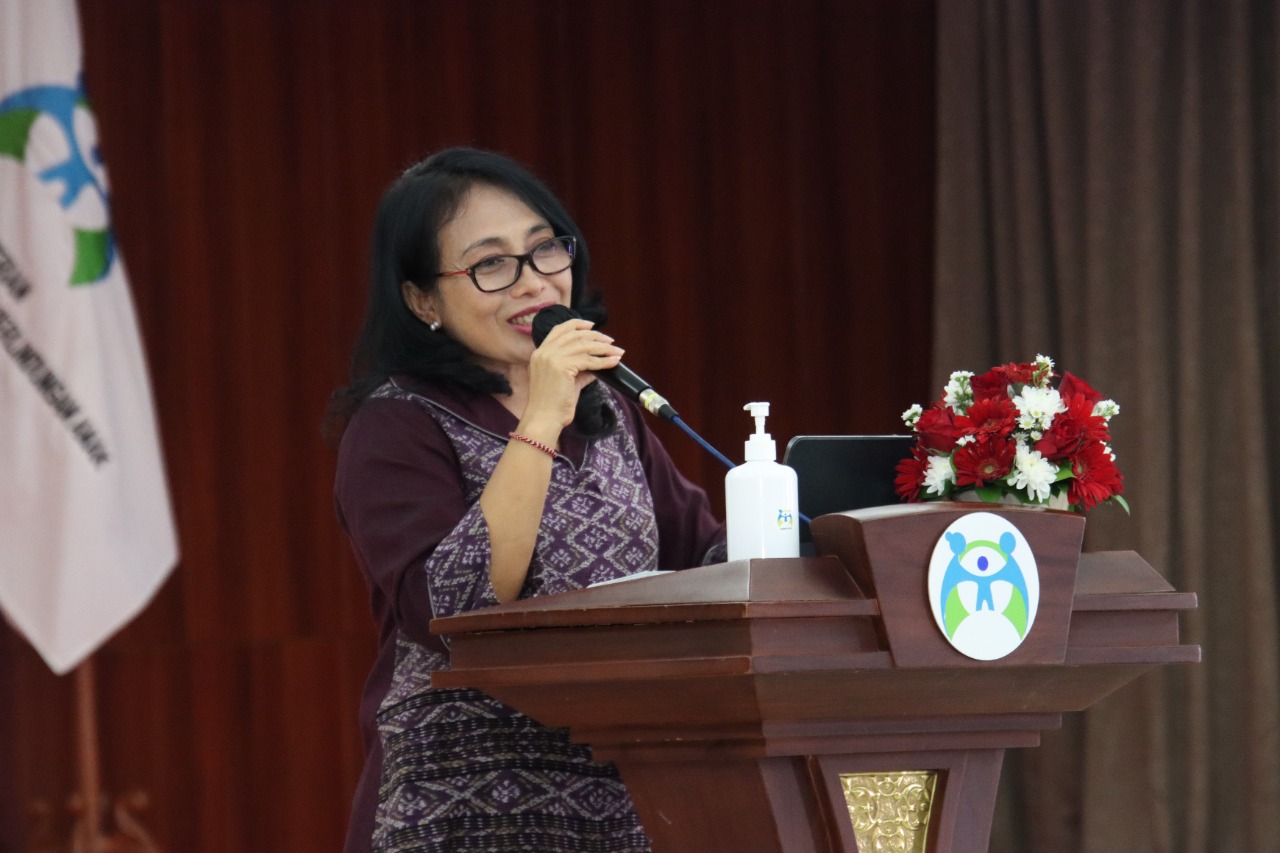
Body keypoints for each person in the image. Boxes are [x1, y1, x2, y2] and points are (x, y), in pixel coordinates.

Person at [328, 147, 727, 853]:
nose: (534, 282)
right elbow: (455, 609)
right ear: (422, 300)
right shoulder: (396, 425)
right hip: (462, 815)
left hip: (623, 807)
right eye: (491, 264)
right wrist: (541, 415)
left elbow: (706, 558)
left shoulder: (610, 411)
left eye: (545, 249)